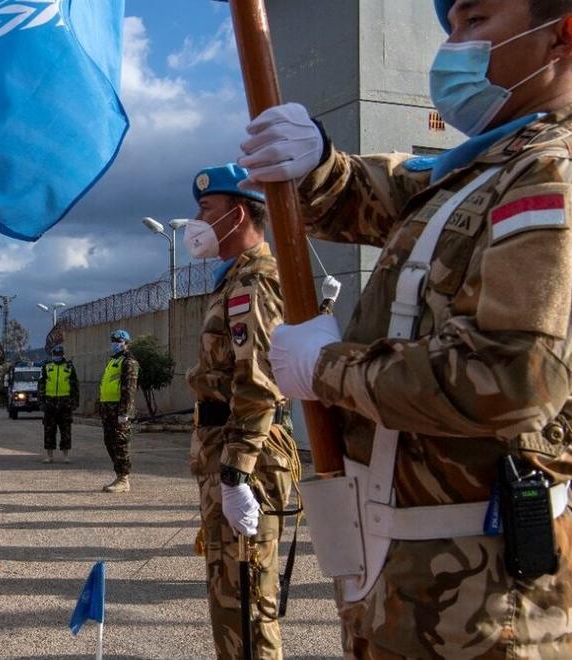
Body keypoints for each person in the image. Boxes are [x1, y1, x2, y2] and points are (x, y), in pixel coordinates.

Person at [242, 1, 572, 656]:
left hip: (482, 600)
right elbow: (379, 194)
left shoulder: (552, 172)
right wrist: (316, 163)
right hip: (408, 574)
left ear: (562, 33)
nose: (453, 46)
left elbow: (513, 377)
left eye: (475, 21)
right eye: (450, 27)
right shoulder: (486, 167)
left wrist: (328, 368)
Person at [185, 165, 332, 660]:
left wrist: (236, 474)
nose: (197, 221)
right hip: (229, 453)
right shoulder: (232, 281)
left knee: (247, 604)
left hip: (249, 460)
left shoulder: (255, 282)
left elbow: (258, 381)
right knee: (230, 600)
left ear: (237, 215)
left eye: (206, 209)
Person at [97, 330, 139, 493]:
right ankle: (119, 475)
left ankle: (124, 479)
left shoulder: (129, 362)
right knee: (109, 442)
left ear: (126, 343)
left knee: (121, 443)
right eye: (113, 340)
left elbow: (129, 389)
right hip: (108, 409)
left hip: (119, 410)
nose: (115, 343)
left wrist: (124, 412)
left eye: (118, 341)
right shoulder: (113, 360)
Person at [38, 344, 80, 463]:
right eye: (55, 355)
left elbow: (75, 386)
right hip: (50, 403)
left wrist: (74, 402)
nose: (57, 356)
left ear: (63, 355)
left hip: (65, 403)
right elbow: (41, 385)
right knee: (49, 430)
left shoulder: (69, 367)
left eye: (59, 354)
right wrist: (41, 402)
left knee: (65, 430)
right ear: (52, 355)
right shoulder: (46, 367)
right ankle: (49, 456)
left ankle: (65, 456)